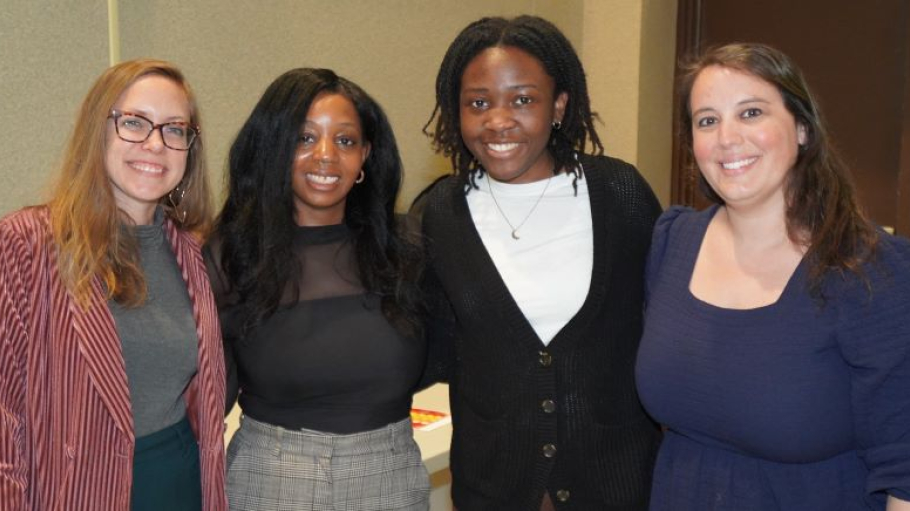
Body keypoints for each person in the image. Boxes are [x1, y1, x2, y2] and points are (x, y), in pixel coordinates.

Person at [635, 42, 910, 510]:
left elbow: (904, 469)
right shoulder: (671, 242)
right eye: (707, 120)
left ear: (802, 128)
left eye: (751, 113)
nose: (726, 138)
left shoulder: (869, 267)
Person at [414, 15, 662, 510]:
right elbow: (434, 346)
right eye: (478, 103)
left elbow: (665, 329)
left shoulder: (621, 194)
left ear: (559, 106)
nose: (498, 120)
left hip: (617, 483)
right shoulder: (440, 214)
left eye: (523, 99)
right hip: (492, 487)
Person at [0, 59, 227, 510]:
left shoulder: (193, 254)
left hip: (178, 483)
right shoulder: (25, 244)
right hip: (73, 490)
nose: (155, 144)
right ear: (97, 130)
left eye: (174, 129)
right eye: (134, 123)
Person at [205, 68, 429, 511]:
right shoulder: (230, 256)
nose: (325, 156)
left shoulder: (406, 251)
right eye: (303, 139)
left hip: (390, 477)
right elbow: (203, 396)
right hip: (269, 479)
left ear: (366, 155)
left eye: (345, 141)